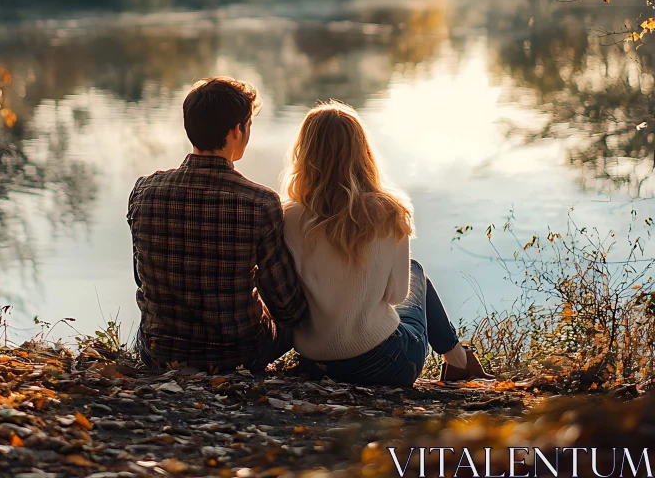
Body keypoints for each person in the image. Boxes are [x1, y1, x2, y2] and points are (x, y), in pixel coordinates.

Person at [282, 100, 493, 386]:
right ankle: (458, 360)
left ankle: (458, 359)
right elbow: (395, 295)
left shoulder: (286, 217)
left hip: (316, 363)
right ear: (362, 151)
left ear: (304, 152)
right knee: (415, 270)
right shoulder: (389, 211)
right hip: (386, 365)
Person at [128, 76, 308, 371]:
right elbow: (285, 305)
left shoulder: (144, 191)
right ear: (237, 130)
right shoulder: (260, 202)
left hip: (160, 351)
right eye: (249, 125)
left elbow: (141, 278)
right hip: (238, 356)